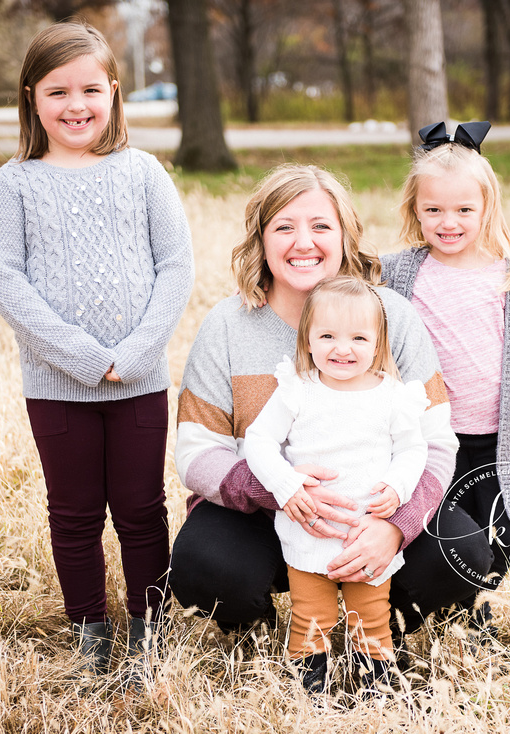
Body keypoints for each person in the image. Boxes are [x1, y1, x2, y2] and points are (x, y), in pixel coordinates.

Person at [171, 164, 484, 675]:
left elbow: (434, 440)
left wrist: (397, 526)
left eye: (320, 226)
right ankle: (287, 620)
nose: (304, 242)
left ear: (345, 236)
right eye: (285, 227)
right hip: (265, 515)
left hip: (374, 511)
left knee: (463, 553)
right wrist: (282, 490)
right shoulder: (228, 326)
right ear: (261, 239)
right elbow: (195, 452)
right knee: (206, 567)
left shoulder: (391, 315)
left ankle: (380, 626)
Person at [0, 21, 194, 680]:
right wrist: (82, 357)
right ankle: (90, 633)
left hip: (139, 383)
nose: (76, 106)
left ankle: (149, 631)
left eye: (90, 90)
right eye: (57, 91)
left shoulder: (143, 173)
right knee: (72, 514)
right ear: (31, 98)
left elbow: (177, 267)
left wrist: (130, 355)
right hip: (56, 387)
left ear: (114, 93)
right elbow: (5, 281)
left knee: (141, 509)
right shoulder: (16, 182)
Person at [382, 121, 510, 638]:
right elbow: (339, 283)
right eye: (433, 209)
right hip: (432, 439)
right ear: (415, 210)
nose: (448, 222)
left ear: (487, 210)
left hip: (496, 440)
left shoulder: (508, 276)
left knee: (505, 536)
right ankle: (407, 613)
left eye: (463, 210)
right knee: (439, 532)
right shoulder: (399, 272)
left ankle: (475, 621)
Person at [245, 276, 429, 693]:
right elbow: (258, 440)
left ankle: (375, 686)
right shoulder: (298, 390)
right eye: (327, 335)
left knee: (372, 616)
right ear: (307, 340)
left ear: (378, 345)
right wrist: (285, 483)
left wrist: (399, 488)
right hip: (311, 529)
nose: (342, 348)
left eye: (358, 338)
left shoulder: (393, 396)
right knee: (311, 613)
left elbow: (414, 450)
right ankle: (309, 688)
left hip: (369, 532)